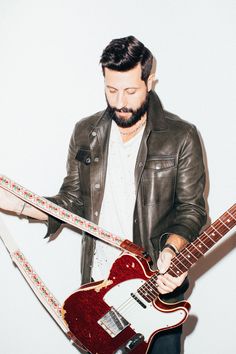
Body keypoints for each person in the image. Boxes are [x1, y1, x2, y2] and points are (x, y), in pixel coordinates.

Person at [0, 35, 206, 353]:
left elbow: (192, 209)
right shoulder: (87, 133)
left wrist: (172, 249)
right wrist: (16, 204)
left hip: (155, 292)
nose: (120, 101)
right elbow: (71, 203)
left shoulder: (181, 136)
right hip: (100, 293)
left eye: (130, 90)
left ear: (150, 81)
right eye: (111, 90)